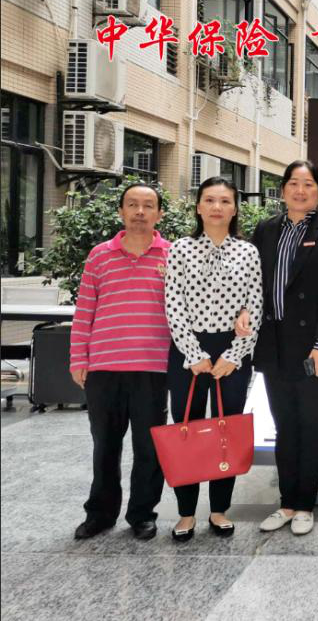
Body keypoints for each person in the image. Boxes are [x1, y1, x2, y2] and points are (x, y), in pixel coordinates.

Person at [236, 161, 318, 537]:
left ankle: (305, 505)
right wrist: (243, 313)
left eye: (309, 184)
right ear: (283, 190)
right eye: (294, 184)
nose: (301, 191)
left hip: (313, 348)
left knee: (310, 423)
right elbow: (251, 282)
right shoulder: (266, 230)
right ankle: (286, 503)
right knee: (284, 425)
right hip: (273, 344)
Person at [69, 184, 171, 541]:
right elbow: (84, 310)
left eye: (148, 206)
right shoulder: (99, 255)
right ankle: (100, 513)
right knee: (105, 447)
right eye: (133, 205)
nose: (140, 212)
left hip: (153, 368)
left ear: (159, 214)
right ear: (121, 212)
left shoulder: (172, 255)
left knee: (149, 448)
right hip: (104, 368)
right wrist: (78, 357)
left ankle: (142, 514)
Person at [164, 177, 262, 542]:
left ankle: (220, 509)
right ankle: (186, 513)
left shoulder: (248, 252)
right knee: (186, 428)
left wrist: (234, 356)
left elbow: (255, 305)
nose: (217, 207)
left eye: (224, 201)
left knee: (227, 430)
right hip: (187, 349)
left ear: (235, 208)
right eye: (209, 200)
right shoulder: (180, 248)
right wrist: (193, 353)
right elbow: (173, 304)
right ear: (198, 207)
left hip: (232, 350)